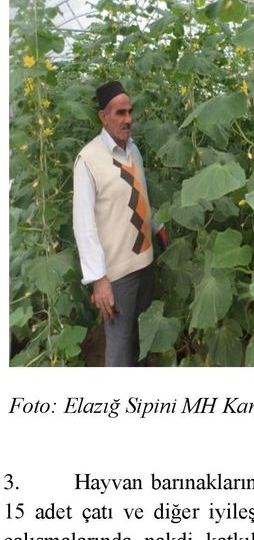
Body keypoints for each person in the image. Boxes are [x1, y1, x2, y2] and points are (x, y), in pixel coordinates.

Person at [72, 81, 168, 367]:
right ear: (103, 116)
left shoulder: (133, 150)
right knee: (120, 347)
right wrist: (98, 279)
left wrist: (158, 226)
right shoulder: (88, 160)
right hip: (117, 276)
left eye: (130, 112)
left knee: (141, 342)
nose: (128, 119)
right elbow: (83, 225)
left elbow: (140, 195)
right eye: (119, 113)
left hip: (145, 265)